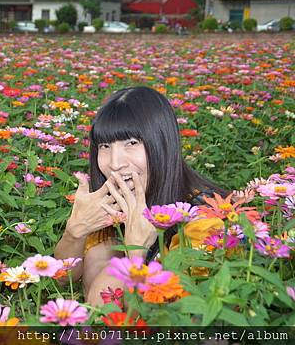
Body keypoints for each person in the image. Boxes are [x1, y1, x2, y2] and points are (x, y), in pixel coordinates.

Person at [54, 86, 224, 306]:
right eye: (105, 146)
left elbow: (180, 317)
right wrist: (74, 232)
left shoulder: (203, 220)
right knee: (100, 255)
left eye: (131, 143)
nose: (115, 163)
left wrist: (135, 254)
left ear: (161, 143)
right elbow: (61, 281)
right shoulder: (114, 205)